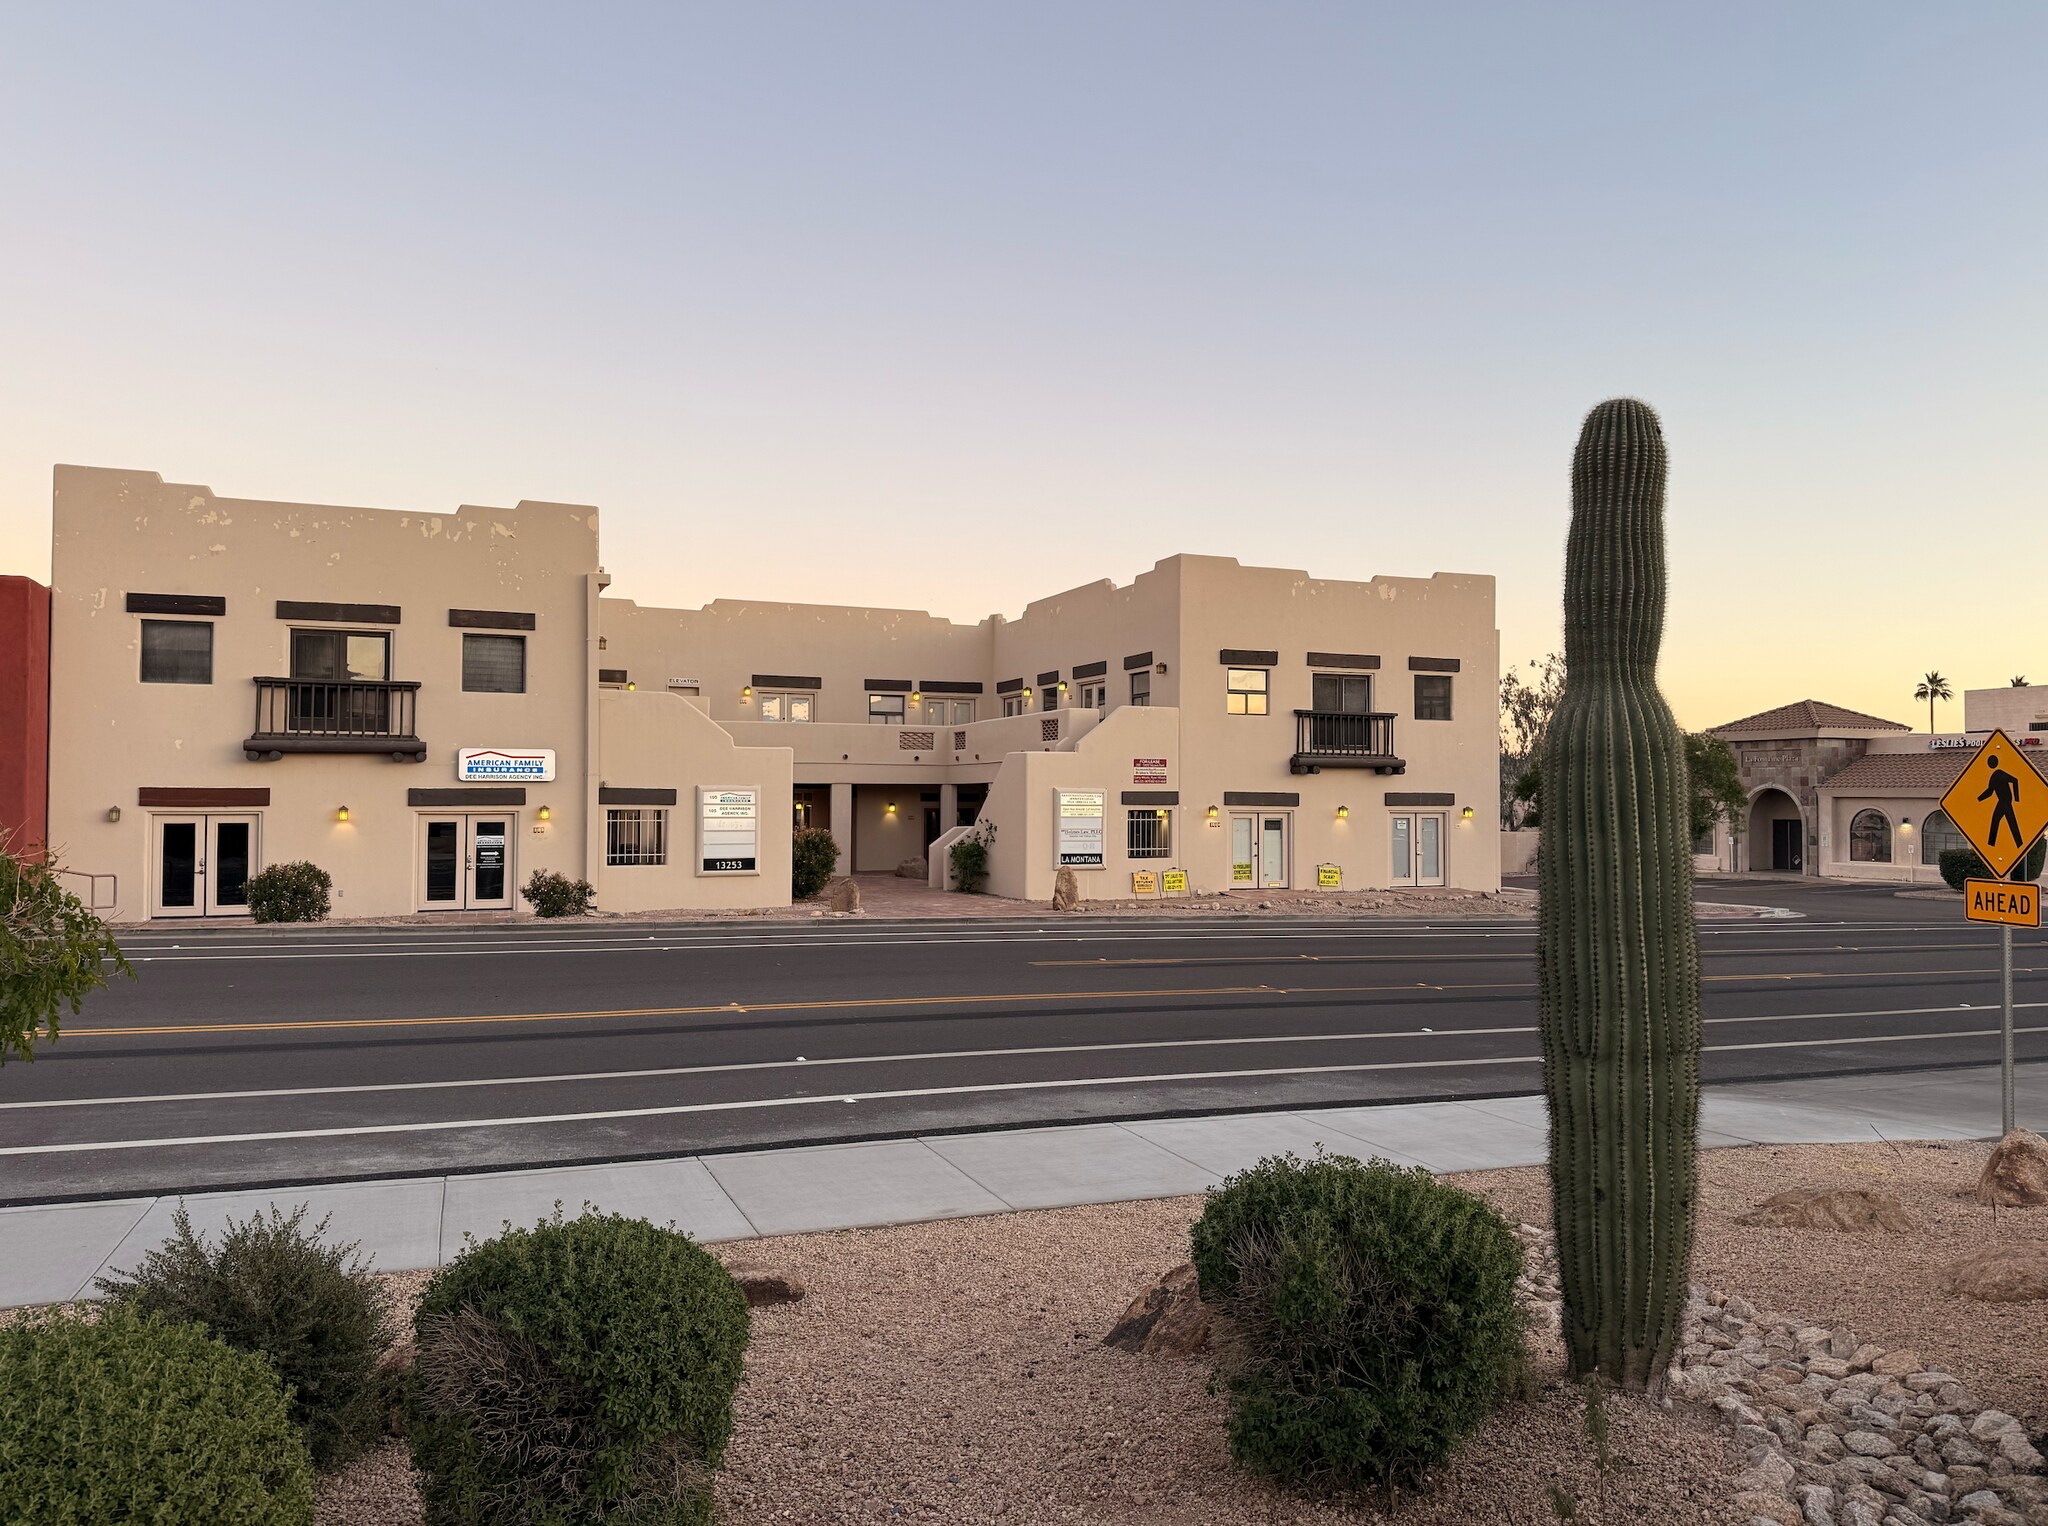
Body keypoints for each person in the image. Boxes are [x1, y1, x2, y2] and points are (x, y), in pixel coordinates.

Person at [1980, 754, 2023, 850]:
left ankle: (1991, 844)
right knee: (2009, 822)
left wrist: (2017, 798)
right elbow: (1990, 792)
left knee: (1998, 821)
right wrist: (1978, 799)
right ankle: (2018, 844)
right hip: (2003, 801)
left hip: (2005, 801)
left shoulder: (1999, 773)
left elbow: (2015, 780)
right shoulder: (1994, 776)